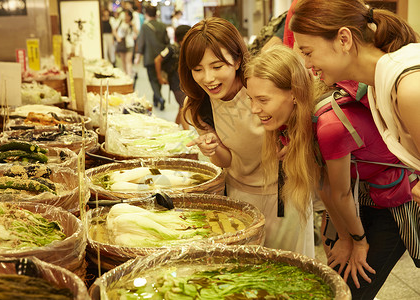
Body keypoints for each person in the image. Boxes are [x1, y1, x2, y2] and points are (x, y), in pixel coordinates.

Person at [246, 44, 420, 299]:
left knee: (350, 290)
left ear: (294, 94)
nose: (254, 109)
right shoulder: (294, 124)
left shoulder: (329, 126)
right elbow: (325, 188)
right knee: (335, 284)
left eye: (263, 100)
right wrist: (340, 234)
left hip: (396, 201)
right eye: (250, 98)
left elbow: (337, 192)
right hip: (359, 197)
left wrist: (356, 241)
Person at [180, 17, 315, 256]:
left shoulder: (260, 83)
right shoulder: (198, 105)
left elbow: (306, 106)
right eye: (198, 69)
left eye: (217, 66)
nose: (208, 78)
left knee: (286, 269)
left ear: (237, 60)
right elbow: (226, 161)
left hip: (284, 193)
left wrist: (296, 137)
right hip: (239, 194)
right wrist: (213, 149)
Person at [289, 0, 420, 204]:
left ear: (344, 39)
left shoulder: (409, 89)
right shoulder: (376, 86)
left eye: (308, 53)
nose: (307, 64)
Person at [154, 25, 191, 129]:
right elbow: (157, 60)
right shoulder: (171, 48)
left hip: (183, 83)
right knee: (184, 106)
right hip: (175, 83)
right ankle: (186, 133)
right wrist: (160, 78)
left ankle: (174, 128)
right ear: (183, 37)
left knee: (182, 107)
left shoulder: (185, 48)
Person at [136, 6, 169, 110]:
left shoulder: (145, 27)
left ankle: (159, 98)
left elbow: (141, 43)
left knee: (153, 80)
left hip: (149, 58)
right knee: (158, 77)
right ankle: (156, 100)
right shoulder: (162, 25)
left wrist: (138, 56)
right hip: (161, 58)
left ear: (146, 14)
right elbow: (167, 42)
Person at [114, 9, 138, 79]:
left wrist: (132, 25)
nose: (126, 17)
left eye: (128, 15)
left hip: (129, 44)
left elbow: (136, 32)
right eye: (125, 15)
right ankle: (125, 75)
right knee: (123, 61)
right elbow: (114, 30)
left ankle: (129, 76)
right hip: (121, 43)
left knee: (128, 60)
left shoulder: (132, 23)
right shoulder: (120, 21)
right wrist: (117, 38)